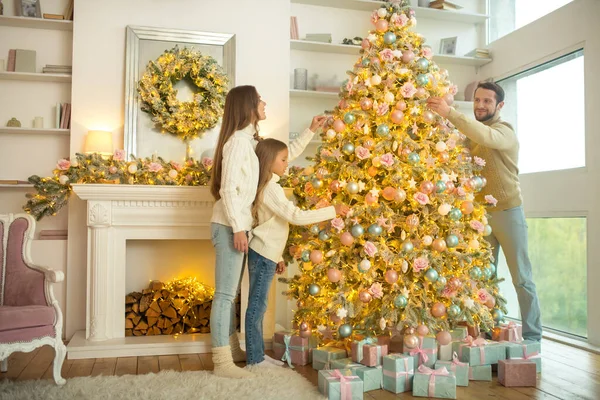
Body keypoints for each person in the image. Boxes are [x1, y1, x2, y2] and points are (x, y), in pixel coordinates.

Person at [209, 85, 326, 378]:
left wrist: (310, 131)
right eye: (259, 99)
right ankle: (222, 363)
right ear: (248, 106)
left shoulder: (250, 142)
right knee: (225, 295)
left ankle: (234, 350)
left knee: (233, 294)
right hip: (228, 225)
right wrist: (238, 228)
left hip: (238, 226)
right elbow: (228, 190)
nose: (264, 102)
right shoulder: (236, 143)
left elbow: (279, 156)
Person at [427, 81, 542, 342]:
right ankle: (493, 330)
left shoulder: (505, 131)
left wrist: (450, 114)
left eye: (487, 101)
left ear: (499, 105)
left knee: (522, 277)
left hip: (508, 212)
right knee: (485, 278)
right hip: (479, 217)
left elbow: (485, 137)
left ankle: (533, 337)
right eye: (477, 100)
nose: (480, 105)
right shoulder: (471, 132)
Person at [245, 138, 349, 368]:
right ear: (268, 161)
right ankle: (254, 359)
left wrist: (279, 256)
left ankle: (258, 356)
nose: (286, 163)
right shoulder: (271, 188)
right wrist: (333, 211)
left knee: (260, 305)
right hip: (262, 254)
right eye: (282, 159)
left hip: (267, 253)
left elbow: (270, 224)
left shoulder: (271, 186)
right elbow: (295, 217)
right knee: (257, 306)